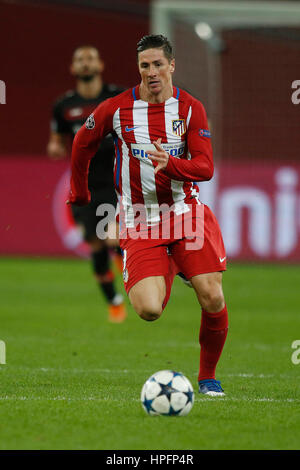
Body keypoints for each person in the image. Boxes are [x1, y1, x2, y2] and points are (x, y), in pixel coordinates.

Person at [68, 35, 229, 396]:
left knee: (212, 296)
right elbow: (82, 142)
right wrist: (79, 191)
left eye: (158, 64)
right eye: (145, 65)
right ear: (138, 68)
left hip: (184, 213)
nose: (152, 72)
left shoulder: (190, 108)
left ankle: (208, 378)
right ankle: (174, 262)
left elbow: (205, 167)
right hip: (140, 219)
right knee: (149, 310)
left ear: (171, 65)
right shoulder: (117, 109)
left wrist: (170, 164)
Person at [47, 45, 127, 323]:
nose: (85, 63)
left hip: (117, 182)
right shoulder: (64, 106)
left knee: (112, 237)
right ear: (72, 68)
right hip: (84, 185)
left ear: (100, 64)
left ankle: (124, 265)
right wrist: (55, 148)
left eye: (90, 58)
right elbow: (56, 140)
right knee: (95, 244)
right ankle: (114, 302)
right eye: (79, 59)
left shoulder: (117, 97)